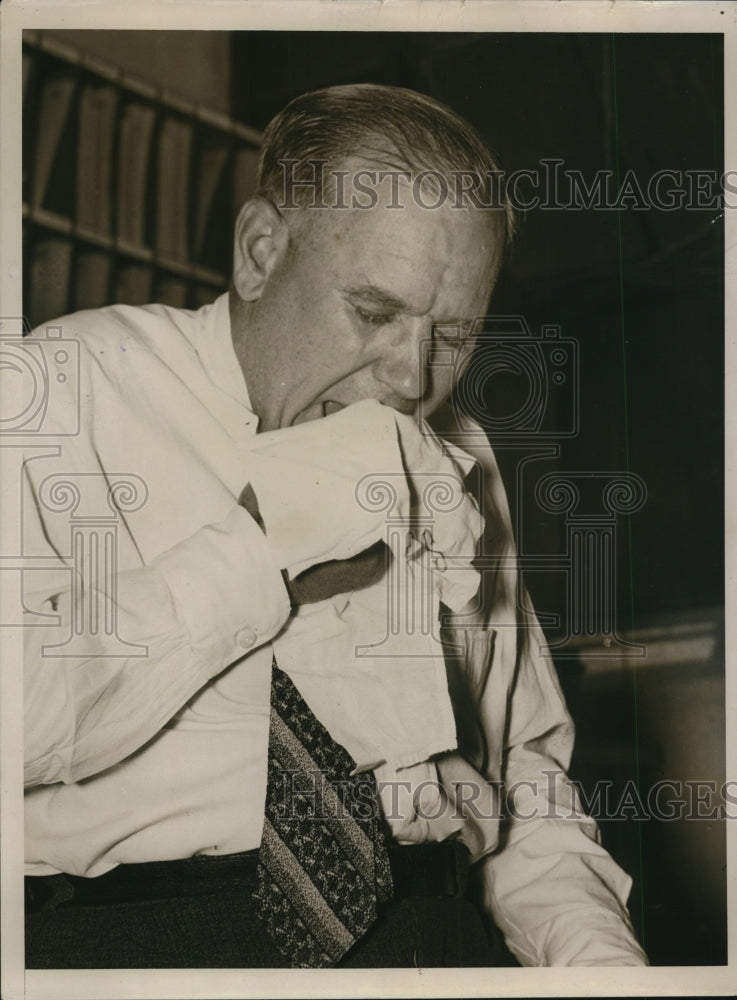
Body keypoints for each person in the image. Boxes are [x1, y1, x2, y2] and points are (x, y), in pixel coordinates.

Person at [21, 83, 648, 968]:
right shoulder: (64, 387)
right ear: (259, 251)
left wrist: (602, 967)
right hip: (138, 945)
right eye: (373, 312)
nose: (407, 376)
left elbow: (524, 785)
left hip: (433, 938)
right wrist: (262, 551)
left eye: (453, 335)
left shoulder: (451, 453)